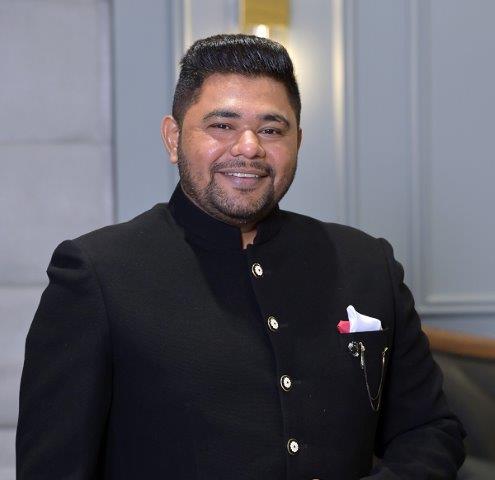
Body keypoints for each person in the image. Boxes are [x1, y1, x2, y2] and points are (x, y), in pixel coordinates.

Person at [16, 34, 465, 479]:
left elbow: (429, 430)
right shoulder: (97, 273)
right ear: (173, 138)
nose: (249, 147)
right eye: (222, 126)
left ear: (298, 142)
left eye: (271, 130)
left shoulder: (366, 262)